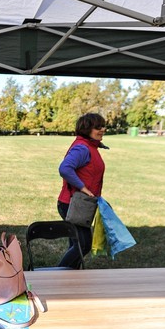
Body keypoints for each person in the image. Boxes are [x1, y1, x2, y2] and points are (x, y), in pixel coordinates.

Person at [56, 113, 108, 269]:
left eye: (103, 126)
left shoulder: (88, 146)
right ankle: (57, 275)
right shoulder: (82, 148)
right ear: (87, 129)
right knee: (83, 245)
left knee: (76, 245)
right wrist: (83, 187)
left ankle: (70, 278)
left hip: (80, 204)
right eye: (98, 127)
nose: (103, 129)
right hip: (73, 204)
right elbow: (65, 168)